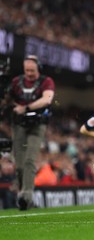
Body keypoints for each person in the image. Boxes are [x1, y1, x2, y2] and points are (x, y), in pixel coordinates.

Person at [6, 55, 55, 210]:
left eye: (32, 70)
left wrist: (25, 108)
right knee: (19, 164)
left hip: (37, 124)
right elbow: (7, 98)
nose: (29, 73)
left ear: (38, 68)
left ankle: (26, 196)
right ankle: (23, 194)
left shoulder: (46, 81)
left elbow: (47, 99)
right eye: (26, 70)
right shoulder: (16, 82)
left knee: (29, 160)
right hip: (19, 124)